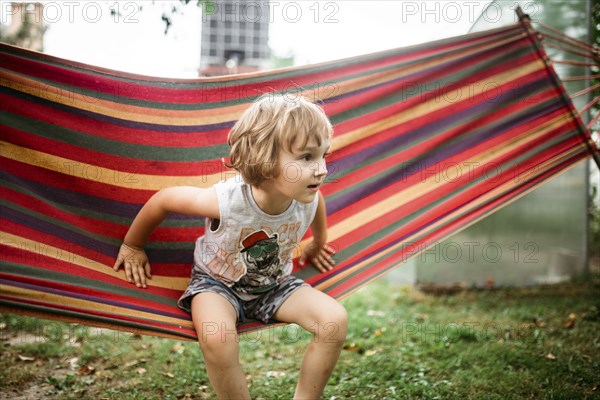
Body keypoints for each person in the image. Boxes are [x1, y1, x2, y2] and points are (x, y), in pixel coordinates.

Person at [113, 94, 348, 399]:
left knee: (335, 320)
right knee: (217, 337)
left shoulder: (308, 194)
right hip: (215, 285)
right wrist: (133, 245)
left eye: (323, 155)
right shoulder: (226, 201)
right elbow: (165, 199)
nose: (322, 169)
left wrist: (318, 242)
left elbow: (318, 206)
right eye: (307, 157)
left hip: (274, 286)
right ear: (266, 158)